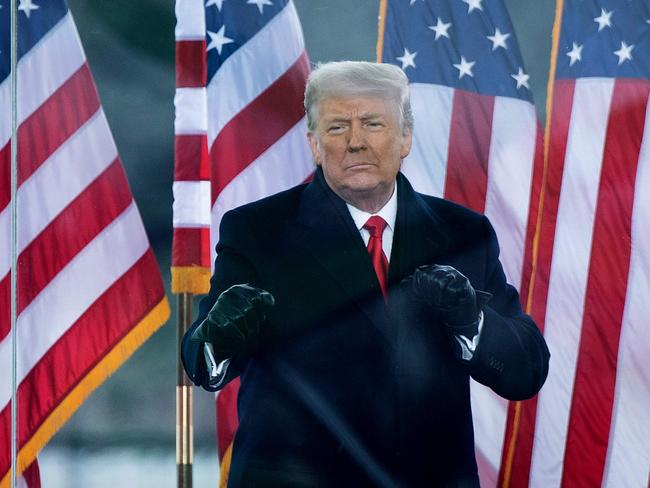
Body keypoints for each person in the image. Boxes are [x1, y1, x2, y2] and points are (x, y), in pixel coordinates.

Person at [182, 61, 549, 487]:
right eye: (337, 127)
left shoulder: (463, 232)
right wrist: (221, 334)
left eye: (373, 123)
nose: (356, 142)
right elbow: (204, 367)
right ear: (315, 145)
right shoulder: (258, 230)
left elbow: (524, 373)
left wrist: (472, 321)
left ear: (405, 137)